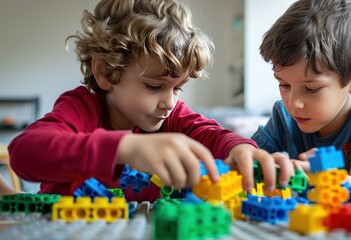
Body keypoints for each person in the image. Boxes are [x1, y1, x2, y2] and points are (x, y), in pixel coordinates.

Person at [8, 0, 294, 203]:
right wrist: (124, 147)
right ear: (105, 72)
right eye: (153, 86)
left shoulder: (172, 116)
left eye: (178, 88)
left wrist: (241, 147)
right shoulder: (82, 108)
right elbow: (24, 153)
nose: (168, 102)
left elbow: (211, 134)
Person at [251, 0, 351, 190]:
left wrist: (317, 176)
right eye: (284, 84)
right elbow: (245, 161)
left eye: (312, 89)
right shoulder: (284, 116)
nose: (293, 103)